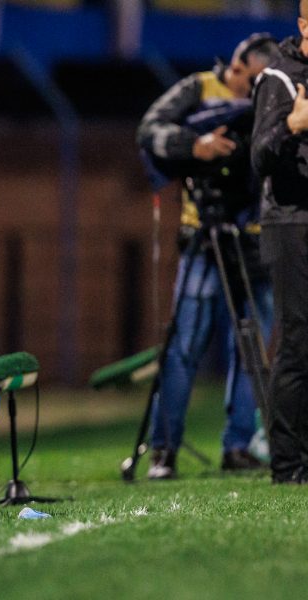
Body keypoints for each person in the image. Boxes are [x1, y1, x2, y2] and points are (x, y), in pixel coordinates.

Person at [136, 33, 279, 479]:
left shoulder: (275, 93)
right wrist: (195, 147)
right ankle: (164, 450)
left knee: (253, 347)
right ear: (237, 68)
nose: (257, 91)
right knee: (184, 347)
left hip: (257, 239)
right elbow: (150, 130)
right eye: (252, 80)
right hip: (206, 237)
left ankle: (238, 446)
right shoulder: (198, 89)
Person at [251, 2, 308, 484]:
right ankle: (288, 465)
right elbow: (259, 156)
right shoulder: (280, 78)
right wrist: (292, 126)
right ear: (304, 24)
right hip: (292, 222)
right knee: (297, 341)